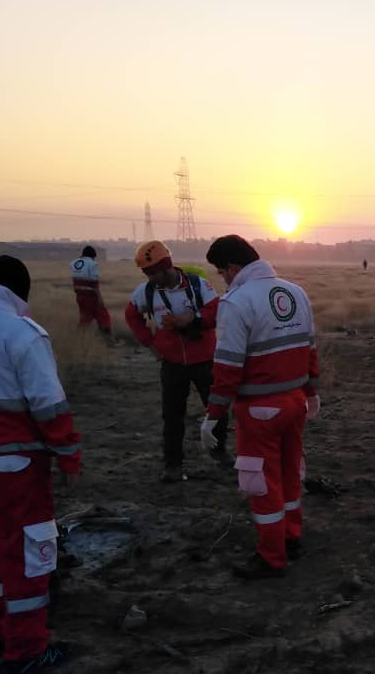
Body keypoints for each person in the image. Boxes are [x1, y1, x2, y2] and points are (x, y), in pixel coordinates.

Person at [0, 256, 81, 674]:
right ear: (19, 292)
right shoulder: (23, 334)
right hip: (15, 470)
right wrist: (69, 455)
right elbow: (48, 404)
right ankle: (27, 650)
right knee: (28, 554)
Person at [200, 235, 320, 579]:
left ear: (234, 267)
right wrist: (311, 391)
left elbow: (227, 367)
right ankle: (291, 538)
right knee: (290, 473)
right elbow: (310, 348)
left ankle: (271, 557)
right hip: (295, 403)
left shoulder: (236, 302)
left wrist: (213, 415)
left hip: (258, 411)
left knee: (262, 484)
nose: (223, 278)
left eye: (222, 272)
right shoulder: (296, 292)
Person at [124, 240, 229, 483]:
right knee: (172, 416)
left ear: (166, 266)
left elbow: (217, 310)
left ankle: (220, 452)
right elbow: (131, 315)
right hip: (171, 364)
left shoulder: (198, 285)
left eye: (152, 272)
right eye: (146, 273)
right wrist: (149, 343)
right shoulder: (146, 292)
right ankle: (172, 465)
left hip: (205, 360)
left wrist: (193, 317)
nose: (150, 277)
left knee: (217, 408)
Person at [70, 245, 112, 335]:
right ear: (92, 256)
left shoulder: (74, 263)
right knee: (103, 316)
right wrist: (100, 298)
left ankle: (80, 337)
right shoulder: (92, 264)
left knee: (85, 318)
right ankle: (107, 339)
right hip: (90, 296)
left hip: (79, 296)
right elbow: (94, 283)